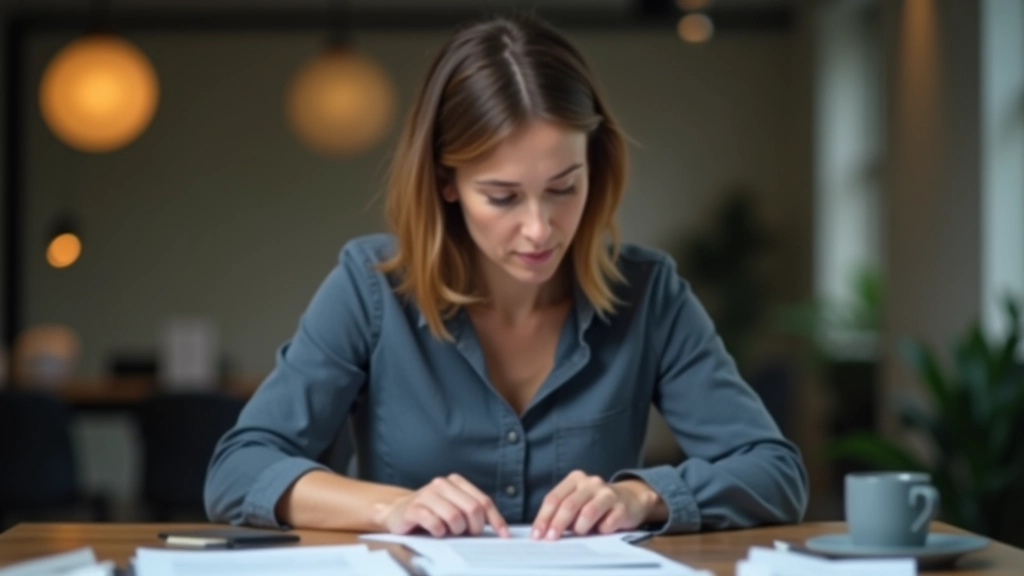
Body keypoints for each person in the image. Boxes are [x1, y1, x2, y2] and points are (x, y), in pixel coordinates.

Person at [205, 14, 808, 539]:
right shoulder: (370, 288)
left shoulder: (649, 294)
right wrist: (393, 507)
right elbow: (238, 470)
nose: (540, 229)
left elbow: (774, 471)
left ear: (593, 169)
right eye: (502, 197)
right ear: (447, 184)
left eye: (563, 188)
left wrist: (641, 497)